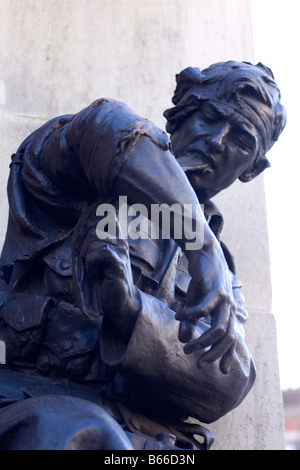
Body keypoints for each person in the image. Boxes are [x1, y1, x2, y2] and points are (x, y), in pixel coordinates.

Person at [0, 61, 286, 450]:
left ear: (251, 170)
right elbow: (101, 124)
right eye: (210, 117)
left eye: (241, 140)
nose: (217, 141)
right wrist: (201, 246)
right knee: (83, 435)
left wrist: (132, 310)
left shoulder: (225, 275)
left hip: (153, 440)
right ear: (179, 116)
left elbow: (229, 376)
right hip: (46, 412)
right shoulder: (79, 178)